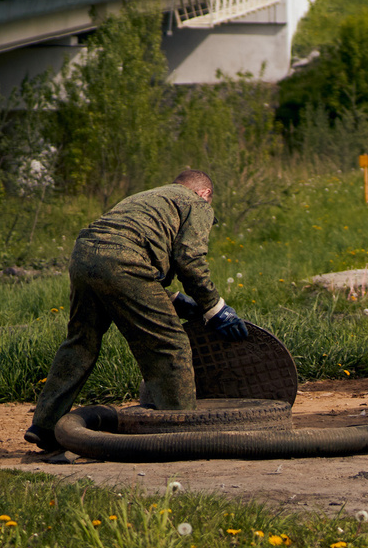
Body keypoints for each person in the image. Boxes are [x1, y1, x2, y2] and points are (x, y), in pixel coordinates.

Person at [25, 168, 253, 451]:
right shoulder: (196, 203)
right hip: (125, 261)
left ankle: (45, 426)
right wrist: (215, 308)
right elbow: (189, 258)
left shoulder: (146, 198)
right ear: (205, 193)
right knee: (170, 344)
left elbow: (127, 255)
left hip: (84, 255)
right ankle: (178, 433)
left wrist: (173, 299)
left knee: (80, 343)